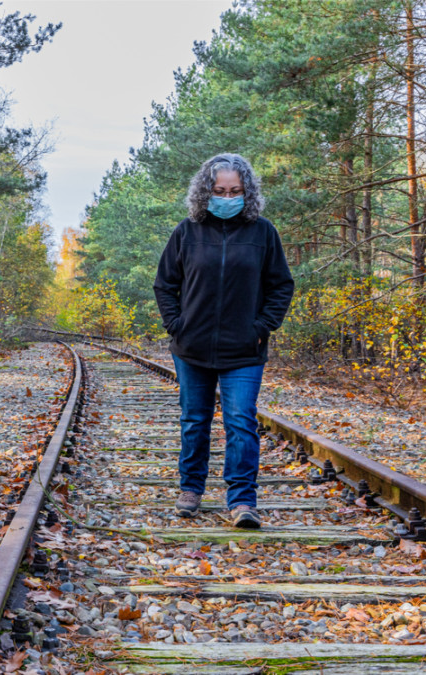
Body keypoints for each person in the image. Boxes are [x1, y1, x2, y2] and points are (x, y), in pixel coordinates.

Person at [153, 153, 294, 529]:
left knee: (241, 423)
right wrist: (176, 324)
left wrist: (262, 325)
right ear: (206, 191)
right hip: (192, 348)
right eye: (219, 190)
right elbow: (165, 284)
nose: (227, 196)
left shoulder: (263, 232)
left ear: (247, 192)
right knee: (194, 421)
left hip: (245, 349)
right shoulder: (187, 231)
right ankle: (191, 490)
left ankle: (243, 501)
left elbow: (281, 285)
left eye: (235, 190)